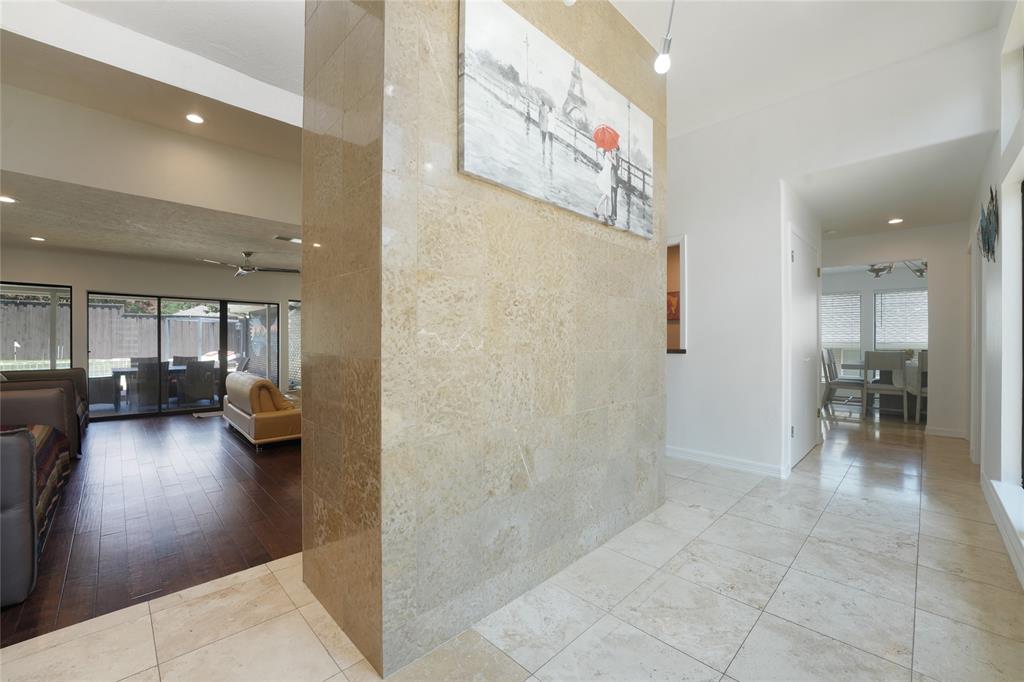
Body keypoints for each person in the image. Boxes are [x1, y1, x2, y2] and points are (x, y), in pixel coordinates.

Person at [593, 150, 612, 223]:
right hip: (606, 176)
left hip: (608, 176)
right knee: (607, 194)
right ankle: (597, 208)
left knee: (608, 195)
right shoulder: (608, 153)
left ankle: (605, 214)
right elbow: (614, 163)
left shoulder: (609, 153)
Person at [609, 146, 621, 224]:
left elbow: (616, 166)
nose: (612, 149)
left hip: (614, 179)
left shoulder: (616, 156)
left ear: (616, 149)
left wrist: (611, 159)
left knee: (614, 198)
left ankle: (614, 215)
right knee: (612, 197)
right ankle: (613, 214)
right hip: (613, 178)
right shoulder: (615, 155)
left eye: (613, 148)